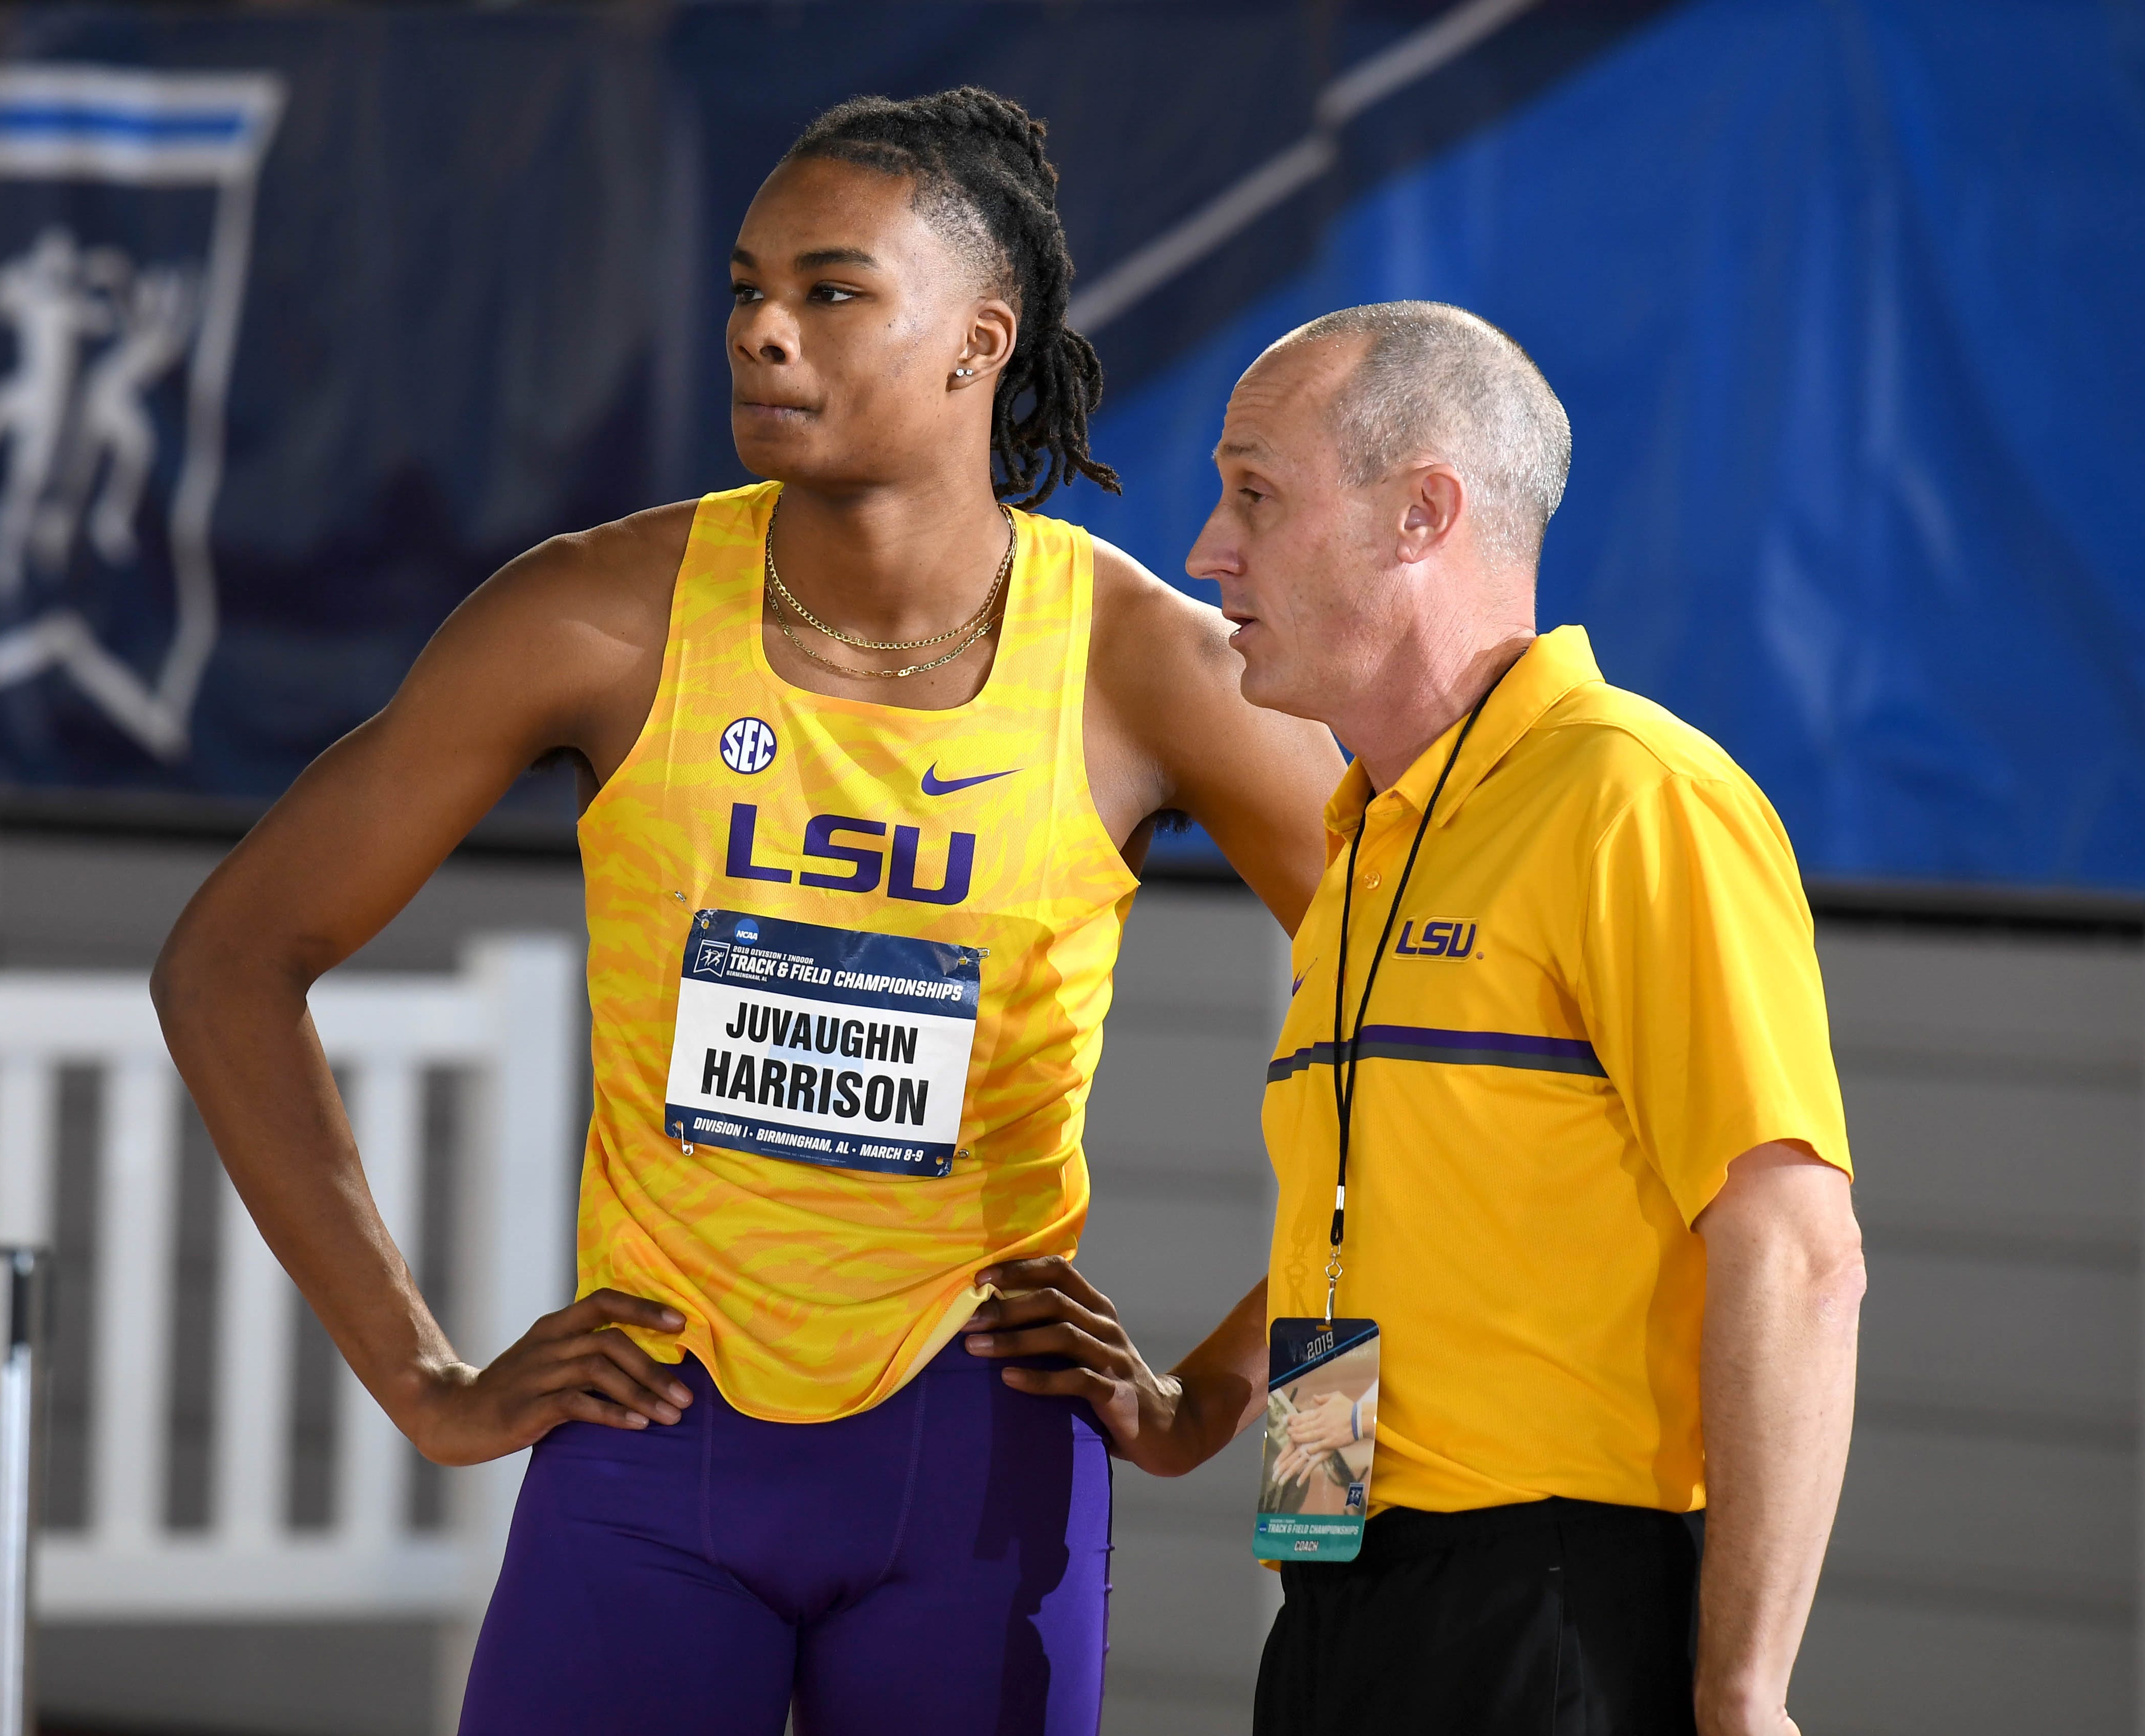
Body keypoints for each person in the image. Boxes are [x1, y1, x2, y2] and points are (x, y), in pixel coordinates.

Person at [150, 87, 1344, 1736]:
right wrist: (422, 1380)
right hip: (654, 1447)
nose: (764, 333)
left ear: (977, 341)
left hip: (977, 1463)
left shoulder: (1148, 666)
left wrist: (1225, 1392)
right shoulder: (596, 618)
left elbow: (1419, 1044)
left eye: (832, 291)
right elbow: (227, 963)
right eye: (744, 289)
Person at [961, 302, 1863, 1736]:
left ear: (1422, 514)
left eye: (1256, 493)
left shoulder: (1635, 798)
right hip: (1342, 1588)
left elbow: (1795, 1246)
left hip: (1555, 1595)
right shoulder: (1380, 833)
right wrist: (1203, 1409)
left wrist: (1745, 1691)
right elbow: (1364, 1220)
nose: (1208, 549)